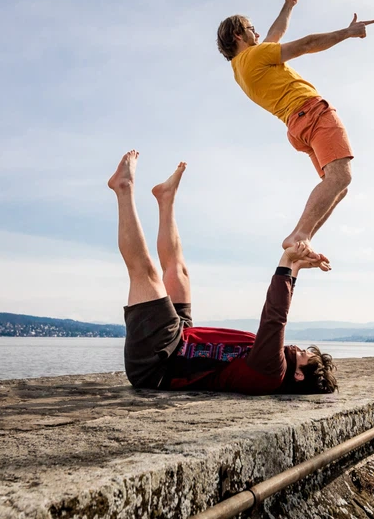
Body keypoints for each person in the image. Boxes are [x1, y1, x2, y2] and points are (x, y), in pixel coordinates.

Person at [108, 150, 338, 395]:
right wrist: (297, 267)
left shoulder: (271, 371)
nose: (297, 349)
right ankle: (166, 199)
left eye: (302, 355)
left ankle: (124, 187)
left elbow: (275, 319)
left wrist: (286, 262)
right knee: (179, 273)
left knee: (147, 273)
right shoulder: (273, 366)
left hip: (159, 363)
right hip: (183, 344)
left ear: (298, 375)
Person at [216, 0, 374, 254]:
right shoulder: (255, 56)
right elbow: (307, 43)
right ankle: (300, 234)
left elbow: (273, 35)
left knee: (337, 185)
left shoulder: (241, 67)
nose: (257, 32)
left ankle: (302, 242)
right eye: (250, 28)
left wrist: (288, 6)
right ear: (238, 36)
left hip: (296, 126)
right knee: (341, 179)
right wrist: (348, 32)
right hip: (312, 113)